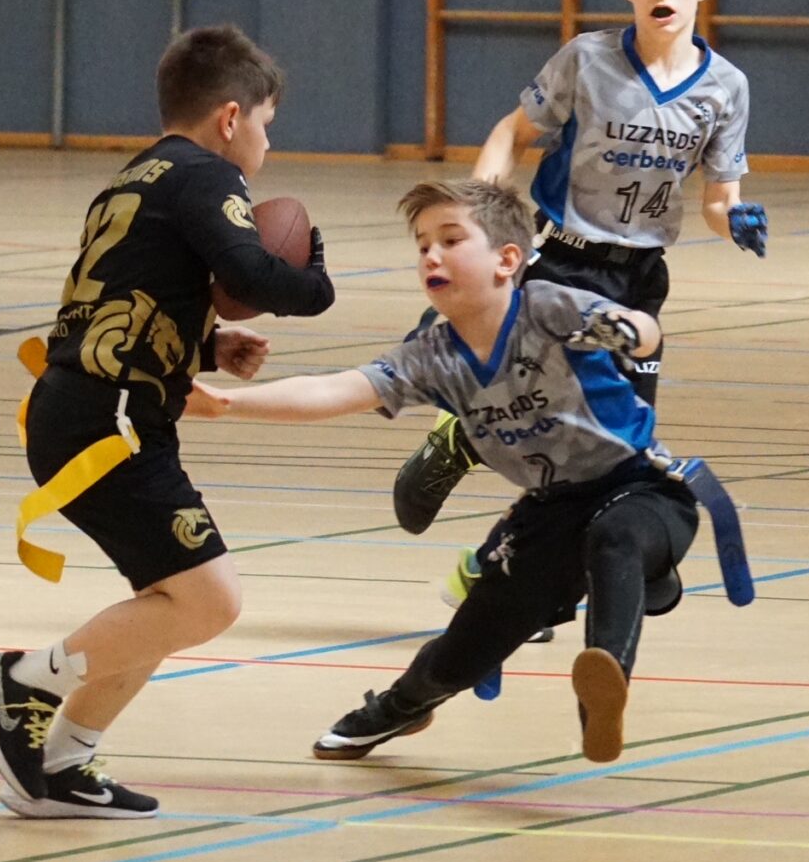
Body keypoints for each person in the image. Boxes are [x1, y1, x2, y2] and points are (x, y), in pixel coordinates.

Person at [189, 179, 715, 765]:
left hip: (639, 486)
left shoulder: (547, 307)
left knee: (616, 538)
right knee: (464, 649)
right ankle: (399, 706)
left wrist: (636, 329)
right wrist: (227, 402)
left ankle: (603, 688)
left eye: (450, 239)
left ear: (507, 260)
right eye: (421, 246)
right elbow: (336, 389)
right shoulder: (429, 357)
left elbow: (643, 330)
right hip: (548, 515)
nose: (431, 255)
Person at [0, 25, 335, 818]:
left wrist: (206, 342)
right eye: (267, 123)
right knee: (211, 602)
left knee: (164, 603)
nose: (267, 142)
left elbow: (124, 297)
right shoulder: (210, 175)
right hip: (111, 419)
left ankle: (65, 762)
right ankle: (23, 678)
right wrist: (314, 278)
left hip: (91, 405)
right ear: (230, 117)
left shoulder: (135, 176)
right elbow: (250, 271)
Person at [392, 0, 766, 642]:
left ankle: (493, 550)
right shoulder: (587, 60)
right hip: (563, 263)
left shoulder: (725, 88)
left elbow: (719, 198)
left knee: (615, 453)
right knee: (571, 445)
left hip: (640, 279)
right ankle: (513, 553)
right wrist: (480, 213)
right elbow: (513, 130)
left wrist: (736, 219)